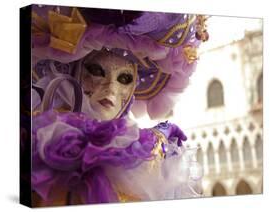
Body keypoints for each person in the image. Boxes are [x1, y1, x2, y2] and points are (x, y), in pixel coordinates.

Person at [31, 5, 208, 206]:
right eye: (97, 71)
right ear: (73, 72)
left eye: (124, 78)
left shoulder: (145, 153)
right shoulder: (43, 137)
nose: (111, 88)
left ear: (133, 88)